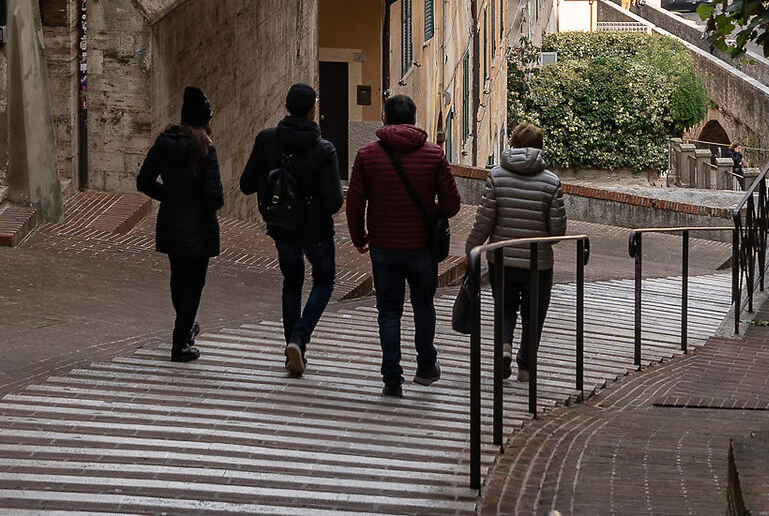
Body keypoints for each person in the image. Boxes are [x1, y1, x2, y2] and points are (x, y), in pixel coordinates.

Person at [345, 93, 461, 397]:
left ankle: (392, 379)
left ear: (385, 118)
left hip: (383, 246)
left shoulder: (367, 155)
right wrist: (432, 210)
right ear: (414, 119)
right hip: (421, 246)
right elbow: (452, 204)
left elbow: (354, 203)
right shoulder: (433, 155)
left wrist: (359, 237)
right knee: (423, 306)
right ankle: (426, 366)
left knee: (388, 312)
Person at [239, 82, 343, 377]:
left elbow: (246, 184)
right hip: (316, 230)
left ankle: (292, 351)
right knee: (324, 281)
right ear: (313, 110)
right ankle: (299, 337)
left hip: (282, 226)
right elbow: (334, 202)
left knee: (292, 283)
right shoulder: (324, 150)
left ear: (285, 107)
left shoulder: (266, 139)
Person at [465, 121, 567, 381]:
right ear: (540, 147)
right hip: (538, 263)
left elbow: (484, 220)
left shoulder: (496, 176)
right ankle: (525, 368)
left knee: (505, 307)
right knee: (534, 315)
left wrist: (472, 247)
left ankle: (504, 346)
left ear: (512, 145)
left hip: (501, 258)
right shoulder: (552, 182)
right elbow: (558, 231)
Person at [136, 86, 222, 361]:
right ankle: (180, 342)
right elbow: (215, 197)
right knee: (195, 283)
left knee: (178, 278)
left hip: (171, 220)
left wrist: (170, 196)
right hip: (199, 226)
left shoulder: (164, 142)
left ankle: (185, 328)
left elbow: (144, 181)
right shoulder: (205, 148)